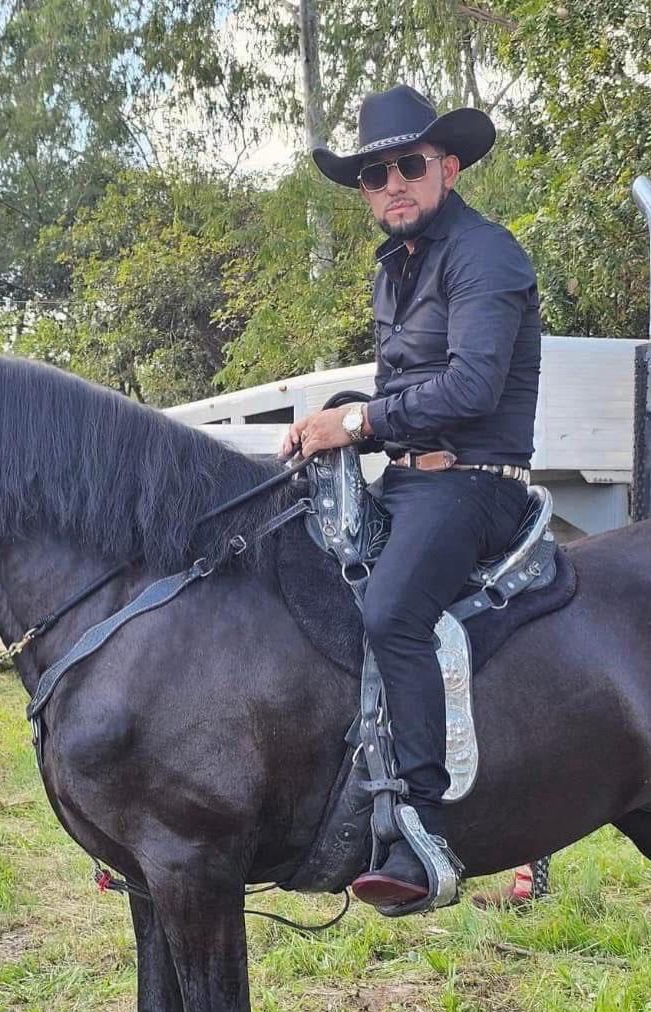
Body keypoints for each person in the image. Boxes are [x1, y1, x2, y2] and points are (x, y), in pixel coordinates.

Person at [281, 85, 542, 912]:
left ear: (448, 166)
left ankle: (420, 826)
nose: (391, 182)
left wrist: (353, 422)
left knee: (391, 611)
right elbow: (402, 388)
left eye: (408, 165)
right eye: (373, 174)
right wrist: (328, 424)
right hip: (409, 477)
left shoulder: (485, 255)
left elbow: (468, 389)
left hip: (473, 485)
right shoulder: (396, 266)